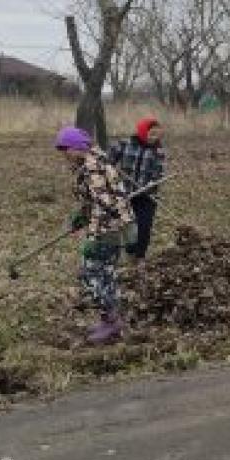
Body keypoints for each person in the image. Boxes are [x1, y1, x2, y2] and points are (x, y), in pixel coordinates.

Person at [55, 126, 135, 345]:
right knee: (106, 275)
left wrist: (93, 236)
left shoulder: (93, 168)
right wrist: (80, 216)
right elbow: (95, 201)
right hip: (115, 227)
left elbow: (106, 205)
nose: (65, 155)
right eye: (62, 150)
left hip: (107, 229)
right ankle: (111, 320)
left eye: (67, 149)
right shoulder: (94, 162)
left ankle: (111, 320)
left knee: (89, 275)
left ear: (79, 147)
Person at [108, 117, 165, 263]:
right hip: (125, 194)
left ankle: (140, 257)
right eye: (151, 134)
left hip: (146, 196)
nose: (154, 138)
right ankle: (128, 253)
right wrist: (111, 169)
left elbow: (158, 174)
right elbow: (107, 162)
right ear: (142, 131)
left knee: (144, 227)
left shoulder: (158, 151)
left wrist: (151, 185)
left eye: (157, 135)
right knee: (126, 226)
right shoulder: (124, 144)